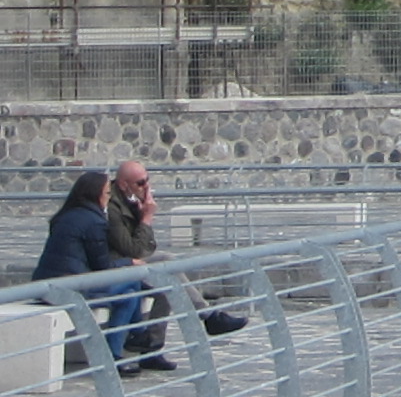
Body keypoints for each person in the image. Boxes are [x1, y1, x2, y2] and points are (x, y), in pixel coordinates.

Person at [31, 169, 169, 377]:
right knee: (132, 284)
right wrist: (129, 262)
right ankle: (132, 340)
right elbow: (102, 268)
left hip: (49, 284)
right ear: (95, 195)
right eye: (106, 193)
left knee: (129, 294)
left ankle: (117, 353)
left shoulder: (66, 215)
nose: (109, 197)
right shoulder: (94, 221)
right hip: (72, 287)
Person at [106, 161, 248, 343]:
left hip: (128, 261)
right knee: (167, 271)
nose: (146, 187)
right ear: (124, 184)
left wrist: (141, 214)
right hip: (114, 265)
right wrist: (147, 218)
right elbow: (135, 250)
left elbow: (147, 246)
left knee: (169, 271)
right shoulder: (112, 207)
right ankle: (208, 316)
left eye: (147, 180)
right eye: (140, 183)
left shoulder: (129, 200)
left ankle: (153, 347)